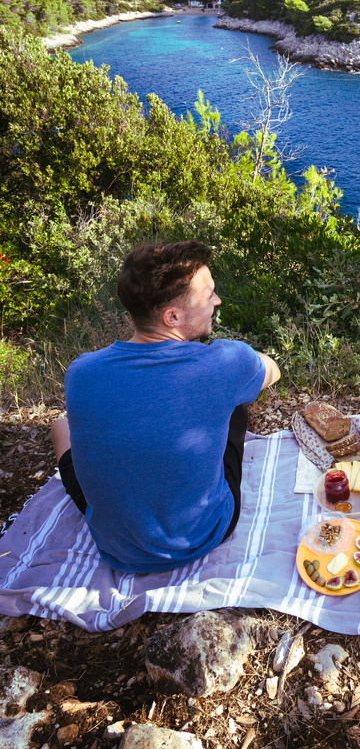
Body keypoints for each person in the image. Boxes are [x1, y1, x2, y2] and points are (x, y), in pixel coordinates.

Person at [50, 240, 280, 574]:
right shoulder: (224, 364)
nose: (217, 300)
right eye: (209, 295)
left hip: (116, 546)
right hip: (201, 534)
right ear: (172, 316)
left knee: (61, 427)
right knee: (235, 404)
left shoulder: (80, 372)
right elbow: (271, 370)